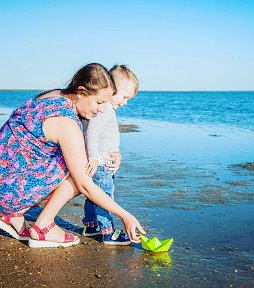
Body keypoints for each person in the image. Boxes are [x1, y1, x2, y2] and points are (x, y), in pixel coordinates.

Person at [0, 63, 145, 248]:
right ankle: (43, 226)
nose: (102, 110)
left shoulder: (53, 95)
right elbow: (84, 185)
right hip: (6, 190)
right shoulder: (66, 123)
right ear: (81, 92)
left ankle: (14, 214)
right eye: (99, 102)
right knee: (82, 170)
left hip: (6, 174)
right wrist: (126, 215)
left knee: (72, 159)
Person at [81, 65, 138, 245]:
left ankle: (91, 226)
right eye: (124, 97)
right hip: (101, 163)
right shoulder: (103, 109)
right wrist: (94, 158)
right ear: (112, 89)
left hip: (105, 160)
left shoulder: (107, 109)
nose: (125, 102)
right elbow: (91, 133)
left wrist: (116, 154)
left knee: (93, 195)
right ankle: (108, 231)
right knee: (104, 195)